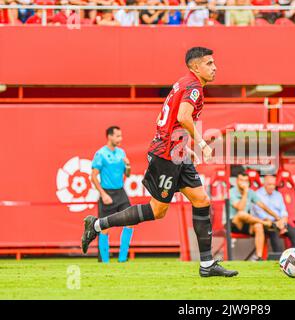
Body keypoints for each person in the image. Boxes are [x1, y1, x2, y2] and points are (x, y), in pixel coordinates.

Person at [82, 47, 238, 277]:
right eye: (209, 63)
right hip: (166, 156)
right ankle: (96, 225)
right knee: (157, 210)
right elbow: (182, 117)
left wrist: (184, 147)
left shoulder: (182, 84)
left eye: (214, 63)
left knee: (201, 200)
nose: (215, 67)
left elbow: (162, 119)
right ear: (195, 67)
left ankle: (207, 265)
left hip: (176, 152)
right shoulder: (193, 86)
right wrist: (201, 144)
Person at [91, 126, 133, 263]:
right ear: (109, 136)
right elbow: (93, 176)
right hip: (107, 193)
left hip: (120, 193)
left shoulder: (121, 153)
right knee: (104, 228)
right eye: (117, 136)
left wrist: (128, 166)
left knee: (131, 221)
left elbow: (127, 174)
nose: (120, 139)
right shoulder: (100, 154)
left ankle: (122, 259)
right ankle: (104, 261)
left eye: (121, 136)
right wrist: (103, 194)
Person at [229, 171, 287, 261]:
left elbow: (263, 206)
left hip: (246, 222)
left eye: (246, 181)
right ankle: (267, 223)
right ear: (237, 181)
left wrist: (277, 218)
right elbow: (240, 208)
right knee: (241, 214)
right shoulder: (232, 192)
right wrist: (245, 192)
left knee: (258, 226)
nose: (244, 183)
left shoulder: (251, 192)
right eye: (241, 180)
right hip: (233, 223)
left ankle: (258, 257)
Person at [253, 175, 295, 256]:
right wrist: (276, 224)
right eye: (269, 184)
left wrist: (282, 222)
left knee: (294, 232)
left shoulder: (278, 195)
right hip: (266, 223)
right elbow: (259, 214)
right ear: (264, 184)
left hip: (280, 221)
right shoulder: (257, 195)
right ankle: (280, 258)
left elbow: (284, 212)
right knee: (274, 232)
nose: (272, 187)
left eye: (273, 184)